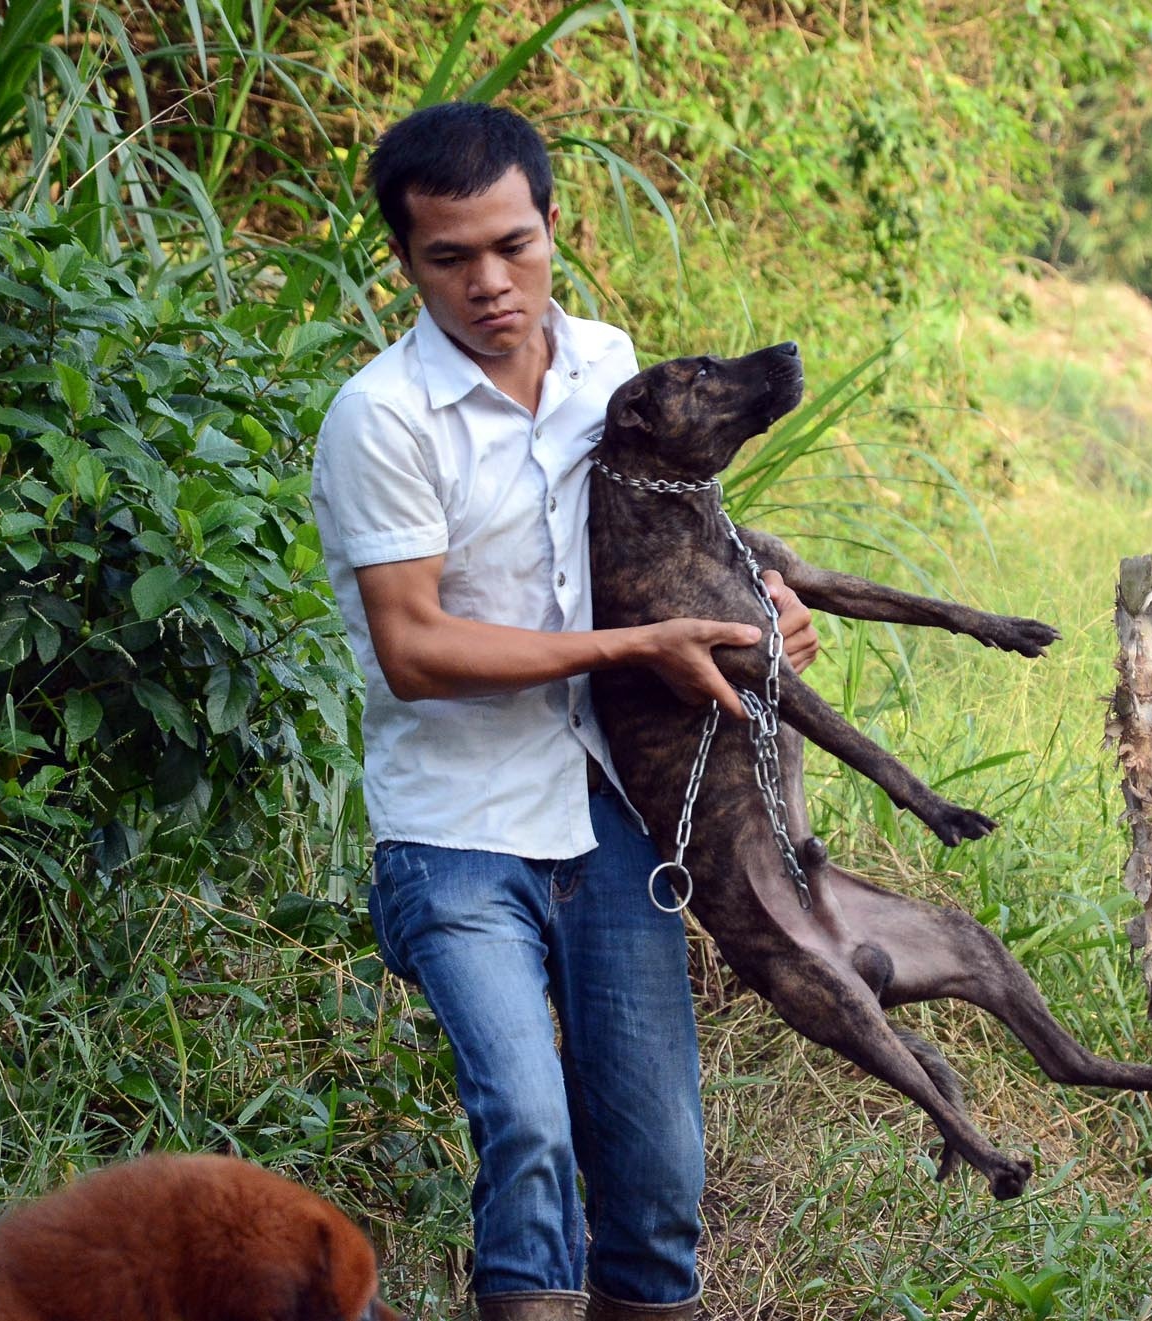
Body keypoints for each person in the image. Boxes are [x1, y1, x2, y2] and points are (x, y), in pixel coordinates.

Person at [310, 102, 819, 1321]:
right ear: (406, 260)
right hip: (457, 828)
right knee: (529, 1125)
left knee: (657, 1172)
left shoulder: (605, 362)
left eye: (514, 245)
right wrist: (635, 643)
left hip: (617, 812)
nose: (491, 283)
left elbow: (675, 520)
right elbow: (415, 647)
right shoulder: (381, 419)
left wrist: (771, 597)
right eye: (451, 258)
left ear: (552, 225)